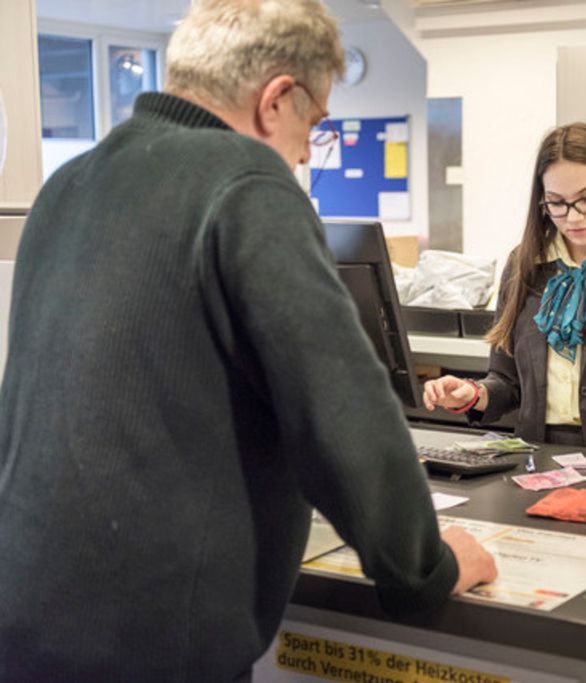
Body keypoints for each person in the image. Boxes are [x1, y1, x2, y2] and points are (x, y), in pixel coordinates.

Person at [0, 1, 495, 680]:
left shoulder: (66, 187)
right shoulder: (246, 182)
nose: (304, 153)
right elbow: (341, 409)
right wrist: (424, 568)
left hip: (26, 615)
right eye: (314, 125)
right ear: (277, 100)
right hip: (152, 646)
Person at [422, 123, 586, 451]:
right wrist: (473, 395)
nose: (573, 218)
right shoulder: (524, 265)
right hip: (540, 454)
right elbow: (507, 382)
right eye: (557, 202)